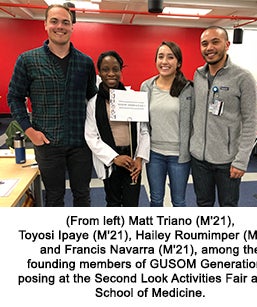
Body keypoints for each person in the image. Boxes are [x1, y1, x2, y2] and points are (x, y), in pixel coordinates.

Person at [7, 4, 98, 207]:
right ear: (45, 25)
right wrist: (30, 131)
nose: (60, 26)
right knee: (54, 197)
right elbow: (14, 97)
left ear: (72, 26)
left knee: (83, 195)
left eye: (66, 22)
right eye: (54, 21)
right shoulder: (28, 60)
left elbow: (93, 99)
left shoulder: (85, 62)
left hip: (80, 143)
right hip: (47, 142)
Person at [190, 26, 257, 207]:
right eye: (204, 44)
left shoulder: (243, 77)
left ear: (227, 45)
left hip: (228, 161)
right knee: (203, 204)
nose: (209, 48)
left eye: (215, 42)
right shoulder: (198, 75)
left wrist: (242, 160)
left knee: (228, 207)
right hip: (199, 160)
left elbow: (252, 121)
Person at [85, 51, 150, 207]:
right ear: (99, 72)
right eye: (106, 69)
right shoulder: (93, 103)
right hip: (110, 161)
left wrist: (139, 159)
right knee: (113, 202)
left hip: (132, 160)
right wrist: (115, 158)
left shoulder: (133, 97)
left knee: (132, 203)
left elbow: (144, 131)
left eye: (115, 69)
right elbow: (91, 137)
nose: (111, 73)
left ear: (121, 71)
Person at [140, 41, 194, 207]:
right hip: (154, 154)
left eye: (170, 57)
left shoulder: (188, 89)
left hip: (180, 155)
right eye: (160, 56)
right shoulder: (146, 87)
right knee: (156, 200)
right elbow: (142, 122)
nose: (164, 61)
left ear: (178, 62)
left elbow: (194, 121)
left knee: (178, 201)